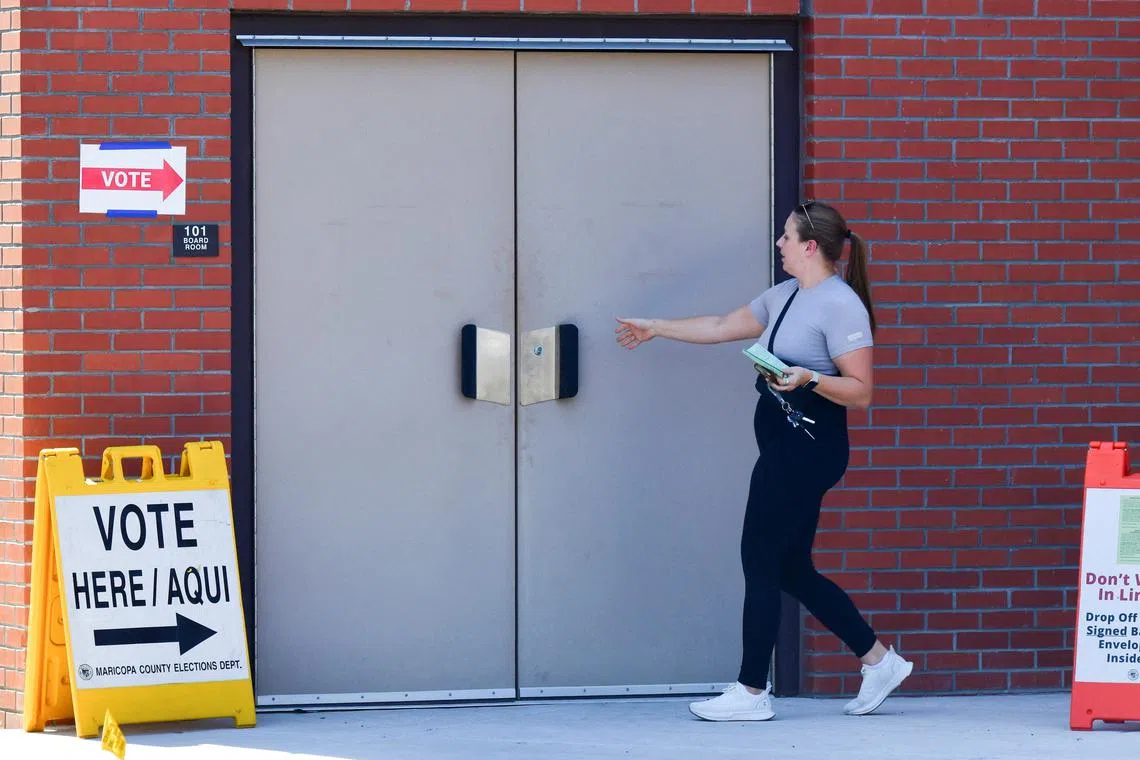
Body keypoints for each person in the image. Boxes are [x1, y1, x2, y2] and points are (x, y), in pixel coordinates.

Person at [615, 200, 913, 721]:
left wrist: (810, 378)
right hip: (782, 445)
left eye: (785, 236)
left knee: (759, 556)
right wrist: (656, 326)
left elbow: (862, 392)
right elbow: (719, 324)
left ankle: (752, 692)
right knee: (790, 567)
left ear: (810, 246)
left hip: (809, 449)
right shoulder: (786, 295)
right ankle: (878, 660)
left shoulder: (841, 306)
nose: (778, 243)